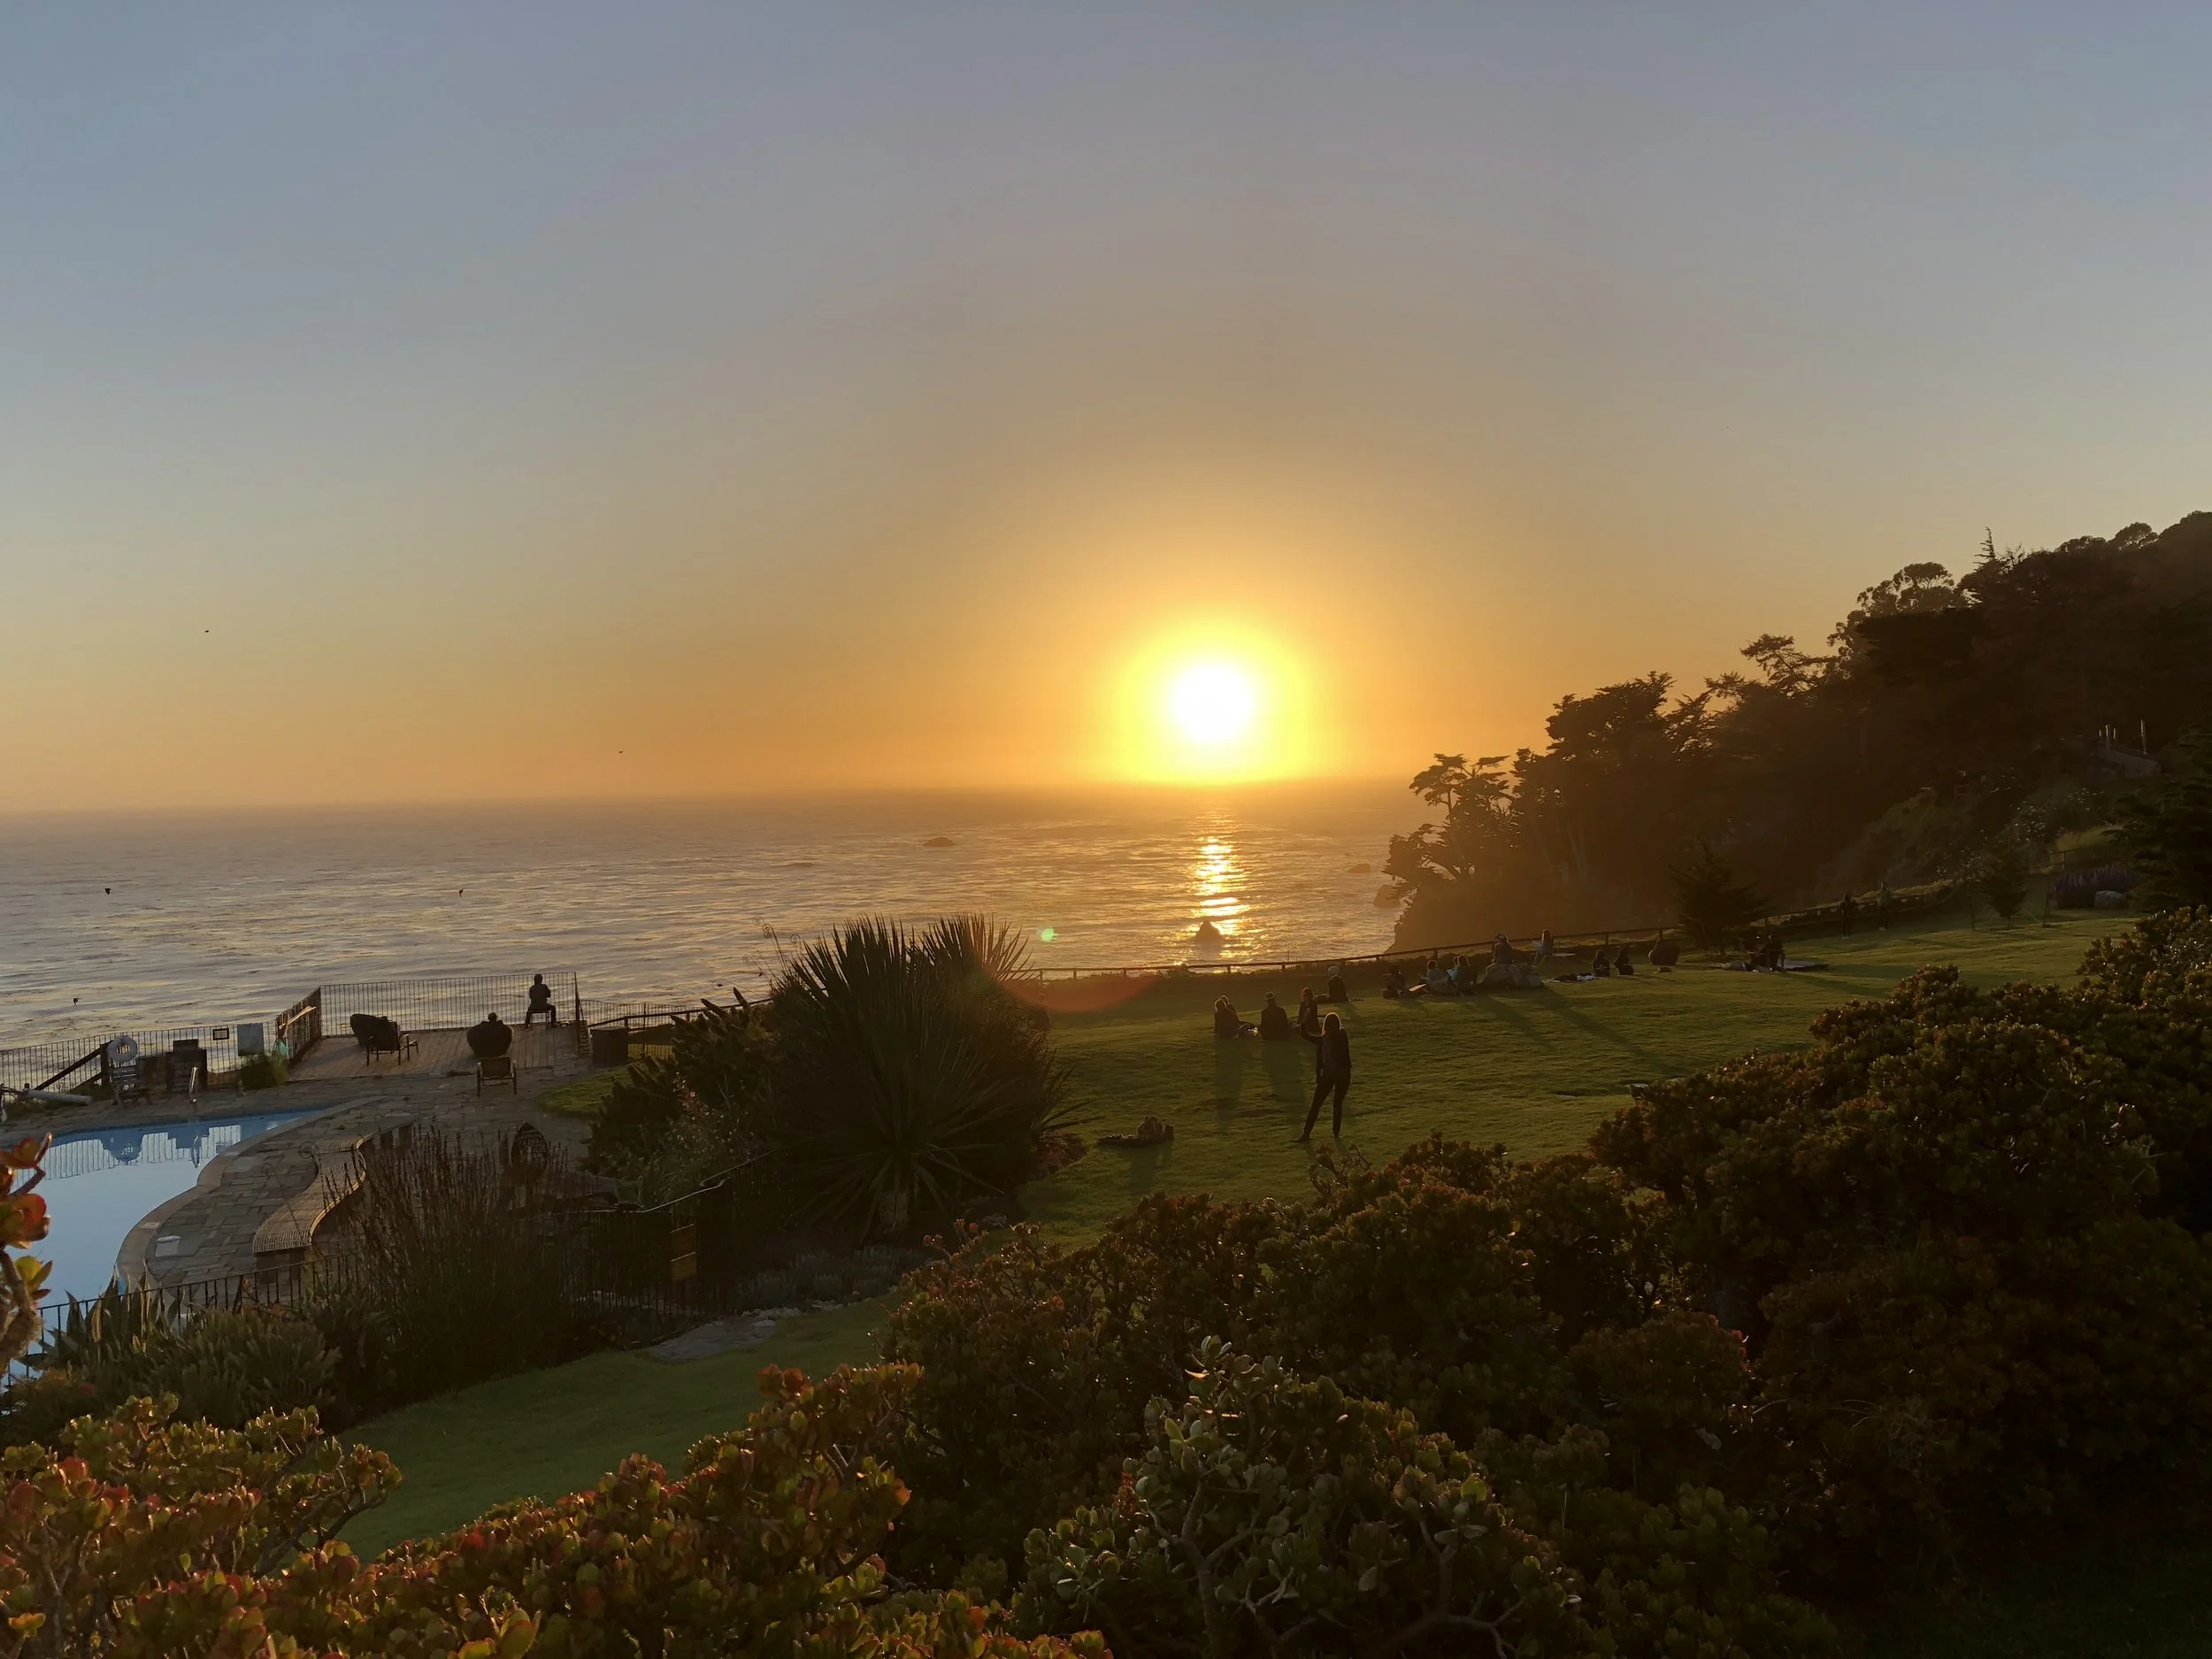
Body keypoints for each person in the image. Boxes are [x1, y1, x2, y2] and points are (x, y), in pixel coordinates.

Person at [1298, 1010, 1352, 1141]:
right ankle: (1336, 1133)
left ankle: (1306, 1133)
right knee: (1337, 1104)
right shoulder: (1341, 1036)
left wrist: (1303, 1022)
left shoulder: (1323, 1040)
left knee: (1316, 1105)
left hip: (1329, 1075)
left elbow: (1305, 1035)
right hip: (1343, 1076)